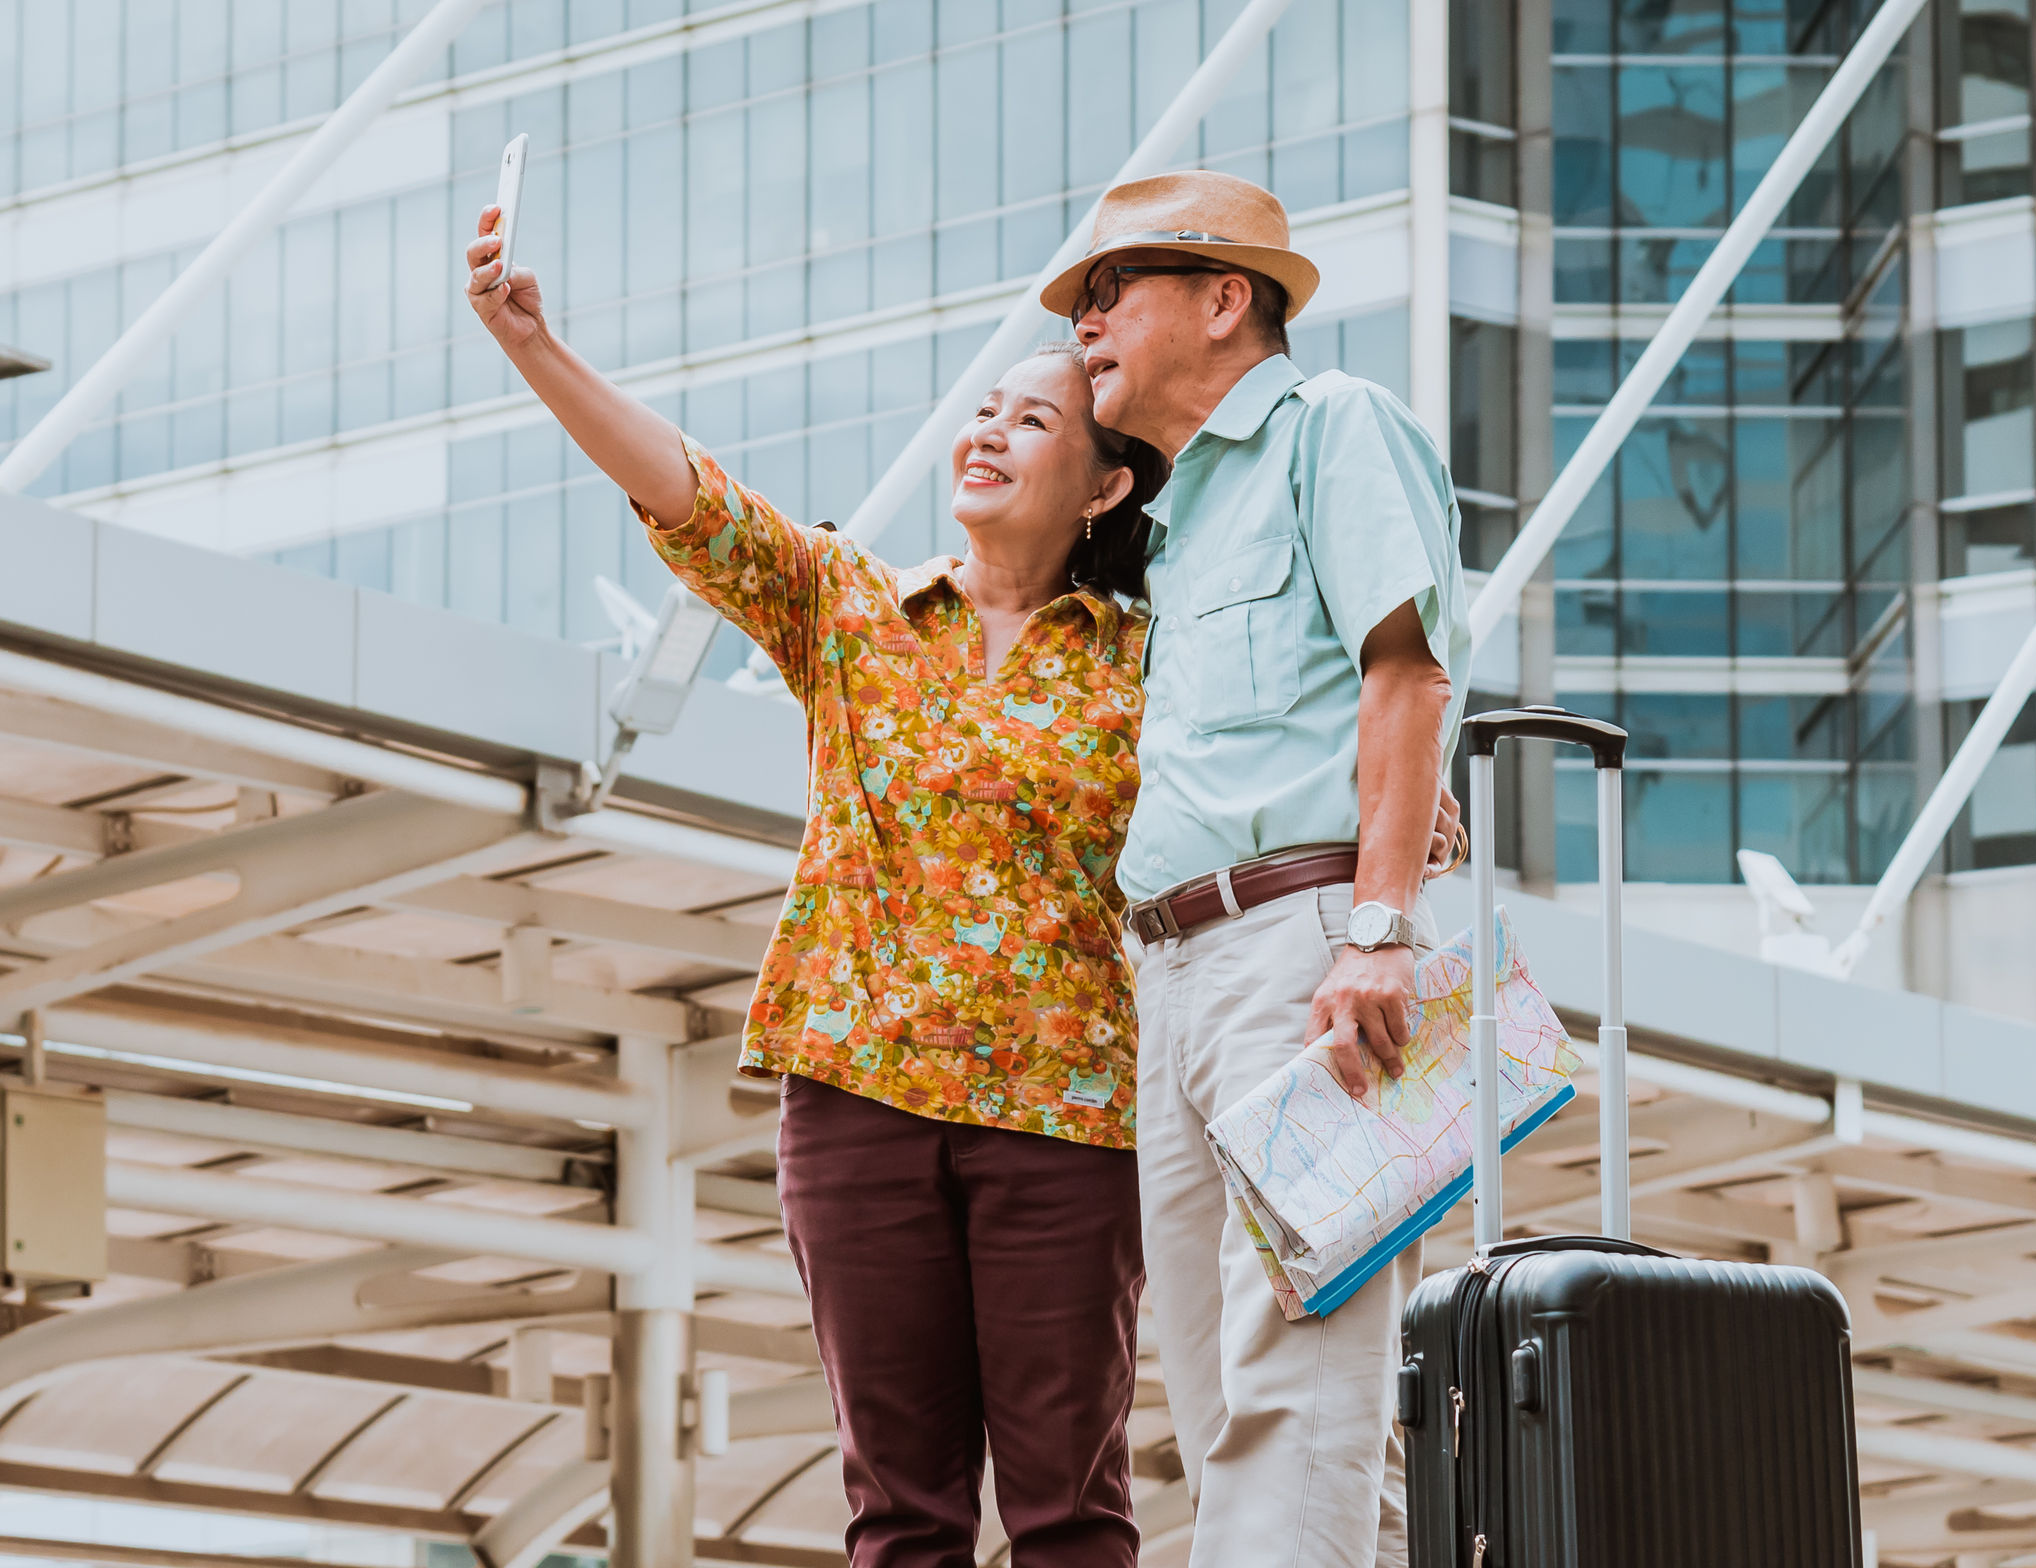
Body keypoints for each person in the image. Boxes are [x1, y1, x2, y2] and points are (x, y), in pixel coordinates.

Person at [463, 202, 1168, 1568]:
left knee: (1070, 1515)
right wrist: (534, 346)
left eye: (1031, 422)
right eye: (981, 412)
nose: (985, 433)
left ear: (1102, 489)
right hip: (857, 1107)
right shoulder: (853, 612)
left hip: (1067, 1116)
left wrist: (1408, 798)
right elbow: (688, 496)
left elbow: (1301, 736)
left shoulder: (1153, 662)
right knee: (897, 1512)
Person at [1066, 170, 1472, 1568]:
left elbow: (1409, 672)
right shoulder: (1177, 530)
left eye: (1112, 292)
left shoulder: (1334, 428)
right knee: (1236, 1404)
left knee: (1298, 1388)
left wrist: (1378, 928)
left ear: (1225, 300)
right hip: (1175, 975)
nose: (1085, 324)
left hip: (1303, 952)